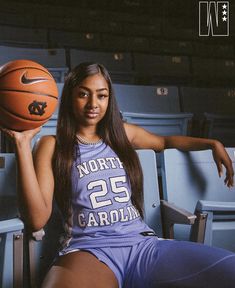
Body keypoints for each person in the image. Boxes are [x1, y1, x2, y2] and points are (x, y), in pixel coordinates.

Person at [1, 62, 235, 288]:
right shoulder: (52, 144)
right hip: (88, 249)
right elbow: (37, 219)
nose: (93, 103)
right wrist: (22, 144)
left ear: (109, 98)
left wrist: (211, 143)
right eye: (84, 94)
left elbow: (164, 141)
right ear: (69, 98)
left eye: (101, 95)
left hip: (142, 244)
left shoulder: (122, 134)